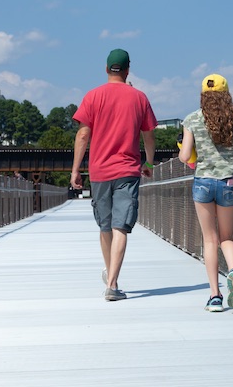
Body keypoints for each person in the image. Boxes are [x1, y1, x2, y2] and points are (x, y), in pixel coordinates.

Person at [71, 48, 157, 302]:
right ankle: (112, 283)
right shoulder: (139, 97)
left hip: (99, 172)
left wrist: (76, 169)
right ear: (128, 69)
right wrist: (149, 161)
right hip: (128, 170)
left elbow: (83, 134)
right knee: (122, 226)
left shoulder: (93, 96)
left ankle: (112, 279)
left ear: (106, 69)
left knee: (105, 225)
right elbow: (149, 134)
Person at [179, 74, 233, 312]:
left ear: (203, 95)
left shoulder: (192, 119)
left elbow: (184, 156)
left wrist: (186, 151)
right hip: (228, 183)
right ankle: (232, 270)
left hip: (203, 183)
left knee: (209, 241)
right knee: (226, 238)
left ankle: (215, 296)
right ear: (226, 93)